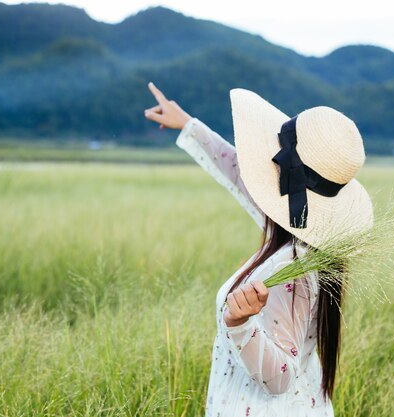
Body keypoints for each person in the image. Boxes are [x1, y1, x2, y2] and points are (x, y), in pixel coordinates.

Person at [144, 82, 373, 417]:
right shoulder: (302, 238)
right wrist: (191, 126)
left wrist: (239, 323)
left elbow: (280, 378)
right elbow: (243, 176)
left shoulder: (294, 269)